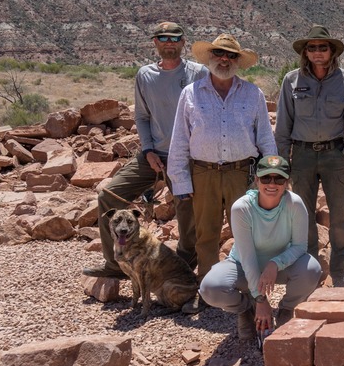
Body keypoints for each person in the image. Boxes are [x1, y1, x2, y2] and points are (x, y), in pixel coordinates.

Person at [84, 22, 206, 279]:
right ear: (155, 42)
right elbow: (142, 116)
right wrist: (148, 150)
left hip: (187, 157)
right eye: (163, 37)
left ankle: (181, 271)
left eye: (175, 38)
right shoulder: (145, 75)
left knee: (187, 214)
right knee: (109, 195)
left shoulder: (198, 72)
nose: (169, 42)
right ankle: (116, 264)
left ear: (183, 42)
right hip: (154, 153)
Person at [167, 33, 276, 312]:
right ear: (210, 58)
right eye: (219, 54)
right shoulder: (190, 93)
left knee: (248, 233)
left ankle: (251, 289)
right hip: (202, 173)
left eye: (231, 56)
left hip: (242, 173)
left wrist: (270, 175)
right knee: (206, 234)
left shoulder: (253, 94)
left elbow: (265, 139)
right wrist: (180, 180)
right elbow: (180, 139)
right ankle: (207, 290)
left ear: (238, 61)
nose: (225, 60)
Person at [199, 155, 322, 340]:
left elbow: (299, 246)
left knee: (312, 269)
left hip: (278, 267)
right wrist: (260, 299)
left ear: (286, 182)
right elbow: (247, 257)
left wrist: (274, 263)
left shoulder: (294, 204)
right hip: (243, 265)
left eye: (279, 178)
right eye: (266, 178)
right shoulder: (242, 208)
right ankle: (245, 309)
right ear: (256, 180)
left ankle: (286, 310)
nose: (272, 184)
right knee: (211, 288)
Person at [276, 24, 344, 283]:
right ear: (305, 52)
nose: (316, 52)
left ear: (331, 51)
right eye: (311, 48)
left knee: (338, 216)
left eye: (321, 47)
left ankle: (338, 273)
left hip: (334, 154)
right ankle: (309, 271)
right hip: (301, 156)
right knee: (303, 215)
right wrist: (283, 164)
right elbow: (283, 127)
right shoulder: (291, 80)